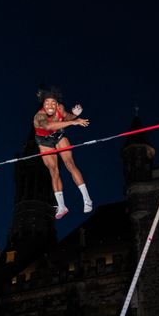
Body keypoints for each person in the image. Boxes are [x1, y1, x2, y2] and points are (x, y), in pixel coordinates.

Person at [34, 88, 92, 219]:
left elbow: (67, 116)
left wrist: (74, 114)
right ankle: (62, 206)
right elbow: (49, 126)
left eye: (52, 103)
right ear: (43, 104)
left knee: (70, 164)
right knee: (54, 171)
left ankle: (87, 199)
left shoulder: (60, 108)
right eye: (47, 103)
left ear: (56, 104)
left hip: (59, 135)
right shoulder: (39, 116)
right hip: (44, 141)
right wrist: (73, 122)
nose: (50, 106)